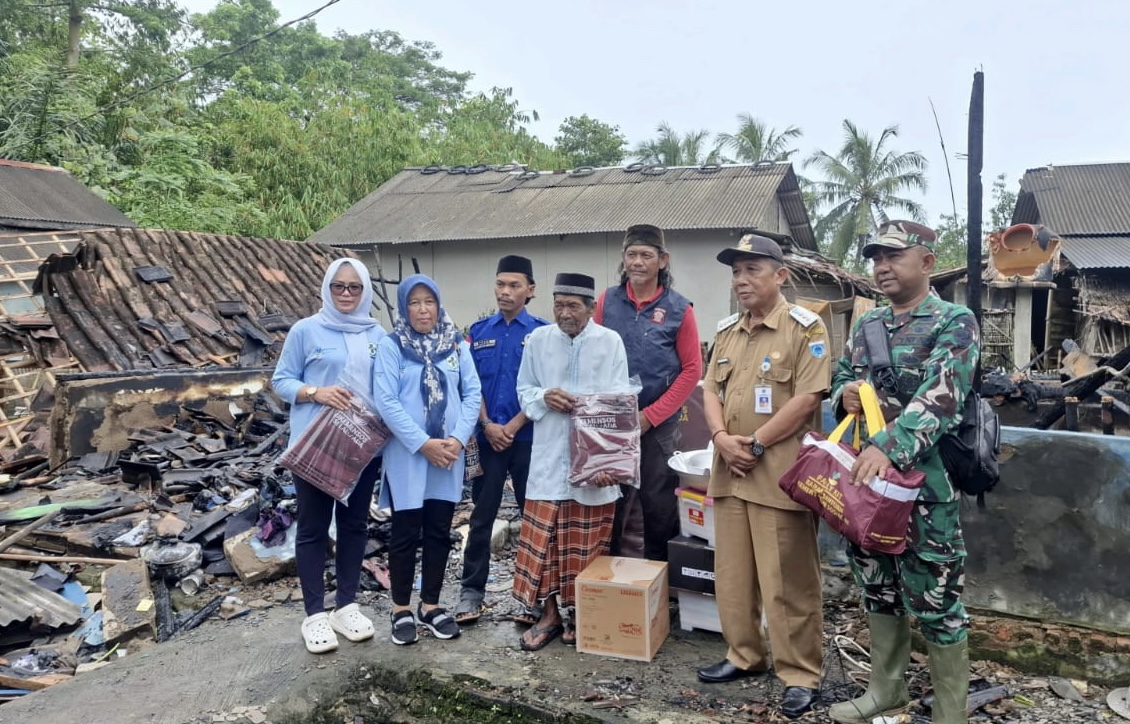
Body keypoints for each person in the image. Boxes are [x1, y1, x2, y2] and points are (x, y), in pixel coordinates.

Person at [828, 221, 979, 724]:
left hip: (925, 489)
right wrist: (842, 394)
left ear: (927, 262)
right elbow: (845, 375)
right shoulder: (868, 324)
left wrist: (889, 449)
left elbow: (942, 398)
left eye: (893, 255)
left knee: (936, 597)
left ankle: (951, 714)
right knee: (877, 586)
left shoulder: (954, 320)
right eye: (876, 258)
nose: (882, 266)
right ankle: (886, 690)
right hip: (869, 490)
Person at [697, 234, 829, 720]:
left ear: (781, 275)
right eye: (736, 272)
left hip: (778, 473)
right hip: (729, 470)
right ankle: (744, 655)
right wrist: (719, 437)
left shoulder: (805, 327)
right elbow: (710, 388)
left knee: (786, 579)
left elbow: (807, 399)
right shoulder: (729, 331)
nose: (741, 280)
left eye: (752, 270)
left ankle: (799, 672)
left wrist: (753, 443)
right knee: (733, 575)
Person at [272, 258, 387, 654]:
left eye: (354, 287)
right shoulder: (307, 330)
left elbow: (386, 387)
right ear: (326, 288)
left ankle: (346, 605)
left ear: (365, 291)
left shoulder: (377, 334)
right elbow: (281, 380)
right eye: (338, 286)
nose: (346, 294)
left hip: (362, 445)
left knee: (354, 525)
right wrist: (314, 393)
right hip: (316, 445)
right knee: (313, 528)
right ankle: (315, 613)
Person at [511, 273, 630, 651]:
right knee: (545, 544)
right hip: (548, 459)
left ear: (591, 308)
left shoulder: (609, 342)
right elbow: (523, 389)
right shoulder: (539, 341)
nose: (565, 313)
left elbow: (621, 399)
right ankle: (549, 616)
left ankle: (582, 615)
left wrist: (607, 456)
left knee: (588, 544)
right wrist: (545, 397)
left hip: (594, 461)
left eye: (573, 306)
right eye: (559, 305)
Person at [373, 274, 482, 646]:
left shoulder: (455, 344)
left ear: (438, 305)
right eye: (415, 303)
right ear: (405, 308)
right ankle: (401, 608)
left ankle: (431, 605)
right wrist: (423, 443)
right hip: (409, 454)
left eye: (429, 302)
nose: (423, 309)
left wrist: (456, 438)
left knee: (438, 529)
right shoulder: (391, 347)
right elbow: (385, 400)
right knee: (405, 531)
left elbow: (472, 393)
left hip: (448, 454)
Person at [595, 224, 702, 561]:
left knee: (659, 509)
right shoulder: (606, 302)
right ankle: (608, 585)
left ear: (662, 260)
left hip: (658, 427)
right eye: (631, 254)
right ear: (623, 259)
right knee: (611, 504)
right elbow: (593, 357)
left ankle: (659, 592)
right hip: (612, 424)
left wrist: (650, 416)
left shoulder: (679, 309)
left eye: (646, 255)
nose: (637, 262)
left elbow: (692, 371)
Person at [456, 255, 549, 625]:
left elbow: (544, 388)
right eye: (500, 284)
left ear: (530, 290)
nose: (505, 292)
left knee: (534, 519)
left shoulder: (543, 334)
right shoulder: (478, 332)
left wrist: (513, 425)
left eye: (514, 285)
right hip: (488, 440)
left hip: (528, 440)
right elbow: (470, 384)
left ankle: (535, 597)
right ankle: (470, 593)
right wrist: (487, 425)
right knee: (481, 518)